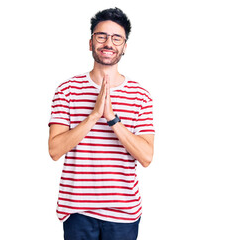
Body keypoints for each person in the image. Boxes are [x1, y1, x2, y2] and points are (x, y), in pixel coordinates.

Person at [48, 7, 155, 240]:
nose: (109, 43)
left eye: (117, 38)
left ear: (124, 47)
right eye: (101, 36)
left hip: (123, 215)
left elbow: (146, 157)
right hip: (77, 212)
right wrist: (94, 116)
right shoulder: (66, 90)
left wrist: (112, 119)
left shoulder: (140, 96)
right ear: (90, 43)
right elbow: (55, 151)